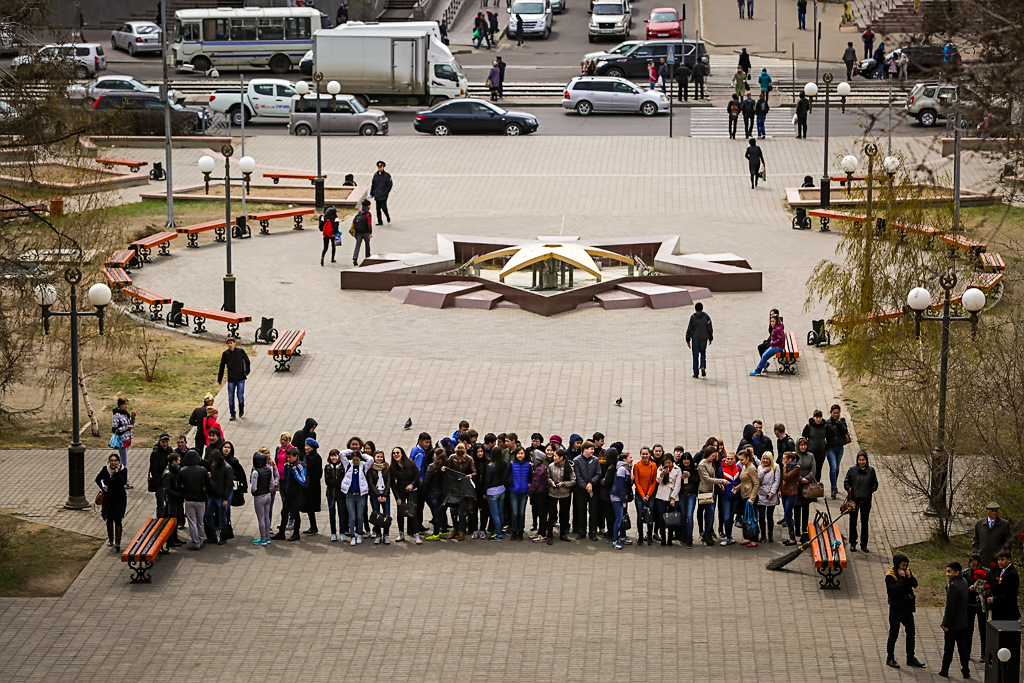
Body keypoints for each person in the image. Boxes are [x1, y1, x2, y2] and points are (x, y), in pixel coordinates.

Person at [885, 553, 926, 669]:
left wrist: (909, 577)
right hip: (896, 608)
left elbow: (915, 584)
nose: (904, 567)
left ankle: (910, 657)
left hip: (907, 608)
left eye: (906, 565)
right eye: (902, 565)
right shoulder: (890, 576)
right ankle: (890, 657)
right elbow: (894, 590)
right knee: (894, 634)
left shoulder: (906, 571)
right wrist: (902, 578)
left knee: (911, 633)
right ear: (897, 565)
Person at [939, 562, 971, 679]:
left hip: (953, 625)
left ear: (956, 572)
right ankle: (966, 671)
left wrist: (946, 624)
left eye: (949, 572)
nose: (947, 574)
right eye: (947, 571)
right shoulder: (963, 582)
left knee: (949, 649)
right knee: (963, 648)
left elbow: (950, 608)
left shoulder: (953, 586)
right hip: (963, 622)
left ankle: (944, 670)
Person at [843, 450, 878, 552]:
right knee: (853, 522)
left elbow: (875, 484)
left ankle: (864, 544)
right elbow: (846, 482)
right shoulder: (852, 470)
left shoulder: (871, 471)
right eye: (860, 460)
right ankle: (853, 543)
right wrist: (850, 490)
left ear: (866, 460)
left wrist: (869, 491)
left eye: (863, 460)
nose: (861, 462)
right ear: (857, 460)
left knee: (864, 522)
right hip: (854, 501)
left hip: (866, 501)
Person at [272, 447, 305, 542]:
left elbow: (303, 481)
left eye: (290, 457)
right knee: (284, 512)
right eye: (287, 457)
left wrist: (294, 471)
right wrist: (286, 469)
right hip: (288, 493)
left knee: (295, 514)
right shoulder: (289, 465)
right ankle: (281, 533)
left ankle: (296, 534)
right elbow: (286, 477)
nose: (288, 459)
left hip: (297, 494)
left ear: (296, 456)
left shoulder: (300, 466)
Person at [96, 453, 128, 552]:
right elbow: (98, 479)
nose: (113, 463)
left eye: (115, 461)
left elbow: (122, 482)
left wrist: (117, 472)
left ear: (119, 462)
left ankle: (118, 541)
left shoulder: (123, 470)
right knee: (109, 519)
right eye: (111, 461)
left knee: (118, 519)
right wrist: (103, 486)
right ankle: (110, 539)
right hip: (109, 498)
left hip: (119, 499)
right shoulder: (105, 469)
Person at [390, 446, 421, 543]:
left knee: (413, 512)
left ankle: (416, 534)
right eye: (394, 453)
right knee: (400, 513)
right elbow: (392, 485)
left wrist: (412, 485)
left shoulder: (410, 463)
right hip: (400, 491)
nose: (396, 455)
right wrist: (397, 498)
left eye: (397, 453)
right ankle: (401, 533)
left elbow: (417, 475)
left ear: (402, 453)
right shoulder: (393, 467)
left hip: (411, 491)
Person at [178, 450, 208, 550]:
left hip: (189, 499)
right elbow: (208, 484)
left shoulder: (182, 470)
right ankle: (201, 539)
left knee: (192, 522)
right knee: (200, 521)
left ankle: (195, 543)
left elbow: (178, 485)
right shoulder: (202, 470)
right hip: (201, 499)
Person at [572, 440, 601, 540]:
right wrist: (585, 486)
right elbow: (577, 476)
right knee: (581, 512)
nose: (593, 451)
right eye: (591, 449)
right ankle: (581, 531)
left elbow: (598, 473)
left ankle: (593, 532)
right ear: (585, 449)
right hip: (581, 491)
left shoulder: (595, 460)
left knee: (594, 512)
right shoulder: (576, 460)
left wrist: (591, 483)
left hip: (594, 490)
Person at [340, 448, 369, 546]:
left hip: (360, 495)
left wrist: (361, 454)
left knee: (360, 516)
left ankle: (360, 534)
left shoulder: (363, 466)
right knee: (352, 517)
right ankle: (353, 536)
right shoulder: (348, 465)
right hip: (350, 495)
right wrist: (352, 451)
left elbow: (371, 460)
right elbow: (341, 454)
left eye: (358, 459)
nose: (356, 462)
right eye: (354, 459)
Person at [546, 447, 575, 543]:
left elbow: (573, 481)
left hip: (565, 494)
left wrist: (563, 484)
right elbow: (548, 477)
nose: (554, 458)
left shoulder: (569, 467)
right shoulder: (551, 466)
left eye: (556, 456)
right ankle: (549, 534)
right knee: (552, 514)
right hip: (552, 494)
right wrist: (552, 483)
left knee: (564, 515)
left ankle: (563, 534)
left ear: (561, 457)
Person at [217, 337, 250, 421]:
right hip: (231, 378)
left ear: (234, 343)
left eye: (231, 343)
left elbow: (247, 361)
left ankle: (241, 408)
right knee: (231, 397)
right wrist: (219, 378)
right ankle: (232, 413)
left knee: (240, 396)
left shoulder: (240, 351)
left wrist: (246, 371)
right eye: (228, 343)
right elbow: (222, 366)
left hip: (240, 377)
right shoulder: (226, 354)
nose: (230, 345)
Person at [972, 501, 1011, 568]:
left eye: (996, 511)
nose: (995, 513)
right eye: (992, 511)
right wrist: (976, 553)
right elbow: (976, 539)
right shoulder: (980, 524)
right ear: (987, 512)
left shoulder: (1004, 524)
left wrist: (1004, 557)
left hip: (996, 560)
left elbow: (1008, 542)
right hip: (982, 558)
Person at [653, 454, 681, 546]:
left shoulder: (677, 469)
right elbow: (658, 480)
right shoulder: (661, 468)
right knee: (661, 518)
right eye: (666, 463)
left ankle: (670, 539)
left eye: (669, 462)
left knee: (671, 519)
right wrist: (662, 473)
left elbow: (678, 485)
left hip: (673, 497)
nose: (668, 464)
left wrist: (673, 498)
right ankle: (663, 538)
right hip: (661, 496)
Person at [632, 446, 657, 545]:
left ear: (650, 454)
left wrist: (648, 494)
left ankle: (650, 536)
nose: (645, 456)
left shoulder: (653, 465)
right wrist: (642, 495)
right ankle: (640, 536)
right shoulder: (637, 466)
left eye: (646, 454)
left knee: (649, 516)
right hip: (639, 495)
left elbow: (654, 482)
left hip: (649, 495)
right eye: (643, 454)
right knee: (640, 516)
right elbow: (636, 481)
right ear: (640, 454)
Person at [988, 550, 1021, 621]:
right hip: (999, 610)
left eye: (1003, 560)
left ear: (1009, 560)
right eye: (999, 560)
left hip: (1007, 611)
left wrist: (994, 599)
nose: (1000, 562)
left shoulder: (1011, 574)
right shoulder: (1003, 570)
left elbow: (1010, 594)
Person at [250, 451, 275, 546]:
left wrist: (253, 492)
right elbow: (272, 483)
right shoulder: (269, 469)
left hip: (259, 497)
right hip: (268, 495)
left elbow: (254, 487)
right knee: (267, 517)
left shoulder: (255, 472)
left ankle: (263, 538)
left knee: (261, 518)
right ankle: (268, 537)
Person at [111, 396, 136, 488]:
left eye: (126, 404)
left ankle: (118, 477)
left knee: (122, 460)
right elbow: (115, 430)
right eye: (124, 404)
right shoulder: (116, 416)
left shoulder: (125, 414)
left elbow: (131, 424)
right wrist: (127, 427)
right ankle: (124, 481)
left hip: (127, 439)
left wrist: (133, 419)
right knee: (124, 462)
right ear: (120, 405)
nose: (126, 406)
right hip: (122, 440)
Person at [825, 404, 850, 498]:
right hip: (830, 448)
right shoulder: (827, 423)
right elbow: (825, 434)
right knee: (833, 467)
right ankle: (833, 487)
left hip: (839, 447)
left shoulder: (842, 421)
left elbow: (845, 431)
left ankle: (834, 482)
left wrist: (840, 423)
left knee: (837, 468)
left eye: (837, 413)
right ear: (831, 413)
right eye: (834, 413)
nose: (835, 415)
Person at [609, 451, 632, 549]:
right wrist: (623, 500)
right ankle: (615, 540)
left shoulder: (627, 469)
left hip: (623, 497)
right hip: (617, 497)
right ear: (624, 459)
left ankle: (623, 536)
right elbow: (620, 487)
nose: (631, 459)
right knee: (618, 519)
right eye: (630, 457)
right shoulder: (622, 470)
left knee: (623, 517)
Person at [484, 445, 507, 540]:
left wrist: (485, 491)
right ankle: (500, 529)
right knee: (501, 512)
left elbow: (487, 480)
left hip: (492, 491)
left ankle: (498, 533)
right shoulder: (504, 463)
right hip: (502, 489)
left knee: (495, 513)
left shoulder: (490, 466)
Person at [755, 453, 779, 543]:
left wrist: (772, 493)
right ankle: (763, 535)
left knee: (769, 516)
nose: (765, 461)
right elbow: (757, 480)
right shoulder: (760, 468)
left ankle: (770, 534)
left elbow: (777, 481)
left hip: (771, 495)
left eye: (767, 459)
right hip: (761, 494)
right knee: (761, 516)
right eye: (764, 459)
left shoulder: (776, 467)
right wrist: (763, 472)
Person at [686, 302, 713, 378]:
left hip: (695, 339)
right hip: (704, 338)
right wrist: (710, 337)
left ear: (695, 309)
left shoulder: (693, 317)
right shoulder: (706, 317)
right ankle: (703, 365)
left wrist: (688, 339)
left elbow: (689, 329)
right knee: (703, 353)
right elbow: (709, 328)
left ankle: (696, 373)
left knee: (695, 356)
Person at [148, 432, 173, 518]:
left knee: (169, 503)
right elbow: (153, 469)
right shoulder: (156, 452)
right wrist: (159, 481)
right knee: (160, 504)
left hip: (168, 481)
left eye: (166, 442)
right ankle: (159, 521)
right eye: (163, 442)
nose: (165, 444)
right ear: (160, 441)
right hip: (160, 483)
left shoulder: (170, 450)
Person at [162, 452, 184, 547]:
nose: (180, 462)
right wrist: (177, 495)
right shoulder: (168, 474)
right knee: (172, 520)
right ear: (173, 461)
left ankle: (175, 537)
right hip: (172, 500)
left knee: (176, 519)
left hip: (177, 499)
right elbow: (168, 489)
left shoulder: (175, 470)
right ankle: (171, 540)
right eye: (178, 460)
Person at [802, 409, 830, 482]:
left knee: (818, 470)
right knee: (810, 470)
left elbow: (828, 438)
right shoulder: (808, 426)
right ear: (813, 417)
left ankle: (816, 485)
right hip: (811, 452)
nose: (818, 419)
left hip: (821, 453)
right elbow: (803, 438)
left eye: (819, 417)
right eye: (816, 417)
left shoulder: (825, 427)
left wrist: (825, 447)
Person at [966, 554, 987, 654]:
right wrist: (969, 589)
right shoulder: (965, 573)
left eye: (977, 566)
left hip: (981, 604)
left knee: (983, 629)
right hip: (970, 604)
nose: (975, 568)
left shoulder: (986, 572)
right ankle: (967, 652)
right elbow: (962, 589)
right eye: (973, 565)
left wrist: (986, 592)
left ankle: (983, 653)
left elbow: (991, 586)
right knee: (968, 630)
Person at [301, 438, 322, 535]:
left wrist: (311, 482)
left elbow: (318, 473)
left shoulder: (316, 458)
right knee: (309, 507)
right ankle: (313, 526)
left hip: (312, 486)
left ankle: (313, 526)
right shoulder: (308, 456)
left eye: (307, 446)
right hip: (308, 485)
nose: (305, 448)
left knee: (310, 506)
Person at [324, 449, 345, 542]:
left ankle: (342, 533)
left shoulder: (342, 467)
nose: (334, 458)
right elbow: (327, 481)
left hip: (340, 494)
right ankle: (333, 533)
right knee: (332, 514)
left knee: (342, 514)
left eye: (335, 456)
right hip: (330, 494)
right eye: (332, 456)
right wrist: (338, 481)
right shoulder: (327, 467)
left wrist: (338, 481)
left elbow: (343, 481)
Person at [779, 451, 800, 545]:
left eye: (784, 459)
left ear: (790, 460)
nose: (783, 460)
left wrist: (784, 467)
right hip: (784, 492)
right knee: (787, 514)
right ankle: (791, 536)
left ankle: (793, 538)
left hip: (791, 493)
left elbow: (786, 477)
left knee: (787, 514)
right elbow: (781, 479)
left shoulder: (796, 468)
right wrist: (779, 490)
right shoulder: (787, 467)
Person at [369, 160, 392, 226]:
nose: (380, 168)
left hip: (383, 194)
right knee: (378, 208)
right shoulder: (376, 175)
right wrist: (372, 193)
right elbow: (373, 184)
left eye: (381, 167)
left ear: (383, 167)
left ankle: (387, 216)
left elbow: (389, 184)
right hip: (377, 194)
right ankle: (380, 221)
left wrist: (386, 192)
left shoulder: (387, 175)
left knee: (384, 207)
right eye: (379, 167)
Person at [351, 198, 372, 266]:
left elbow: (354, 221)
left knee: (357, 245)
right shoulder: (368, 214)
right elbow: (369, 224)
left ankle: (355, 258)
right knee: (367, 245)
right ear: (368, 206)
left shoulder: (359, 212)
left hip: (358, 232)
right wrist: (370, 232)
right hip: (366, 232)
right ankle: (368, 258)